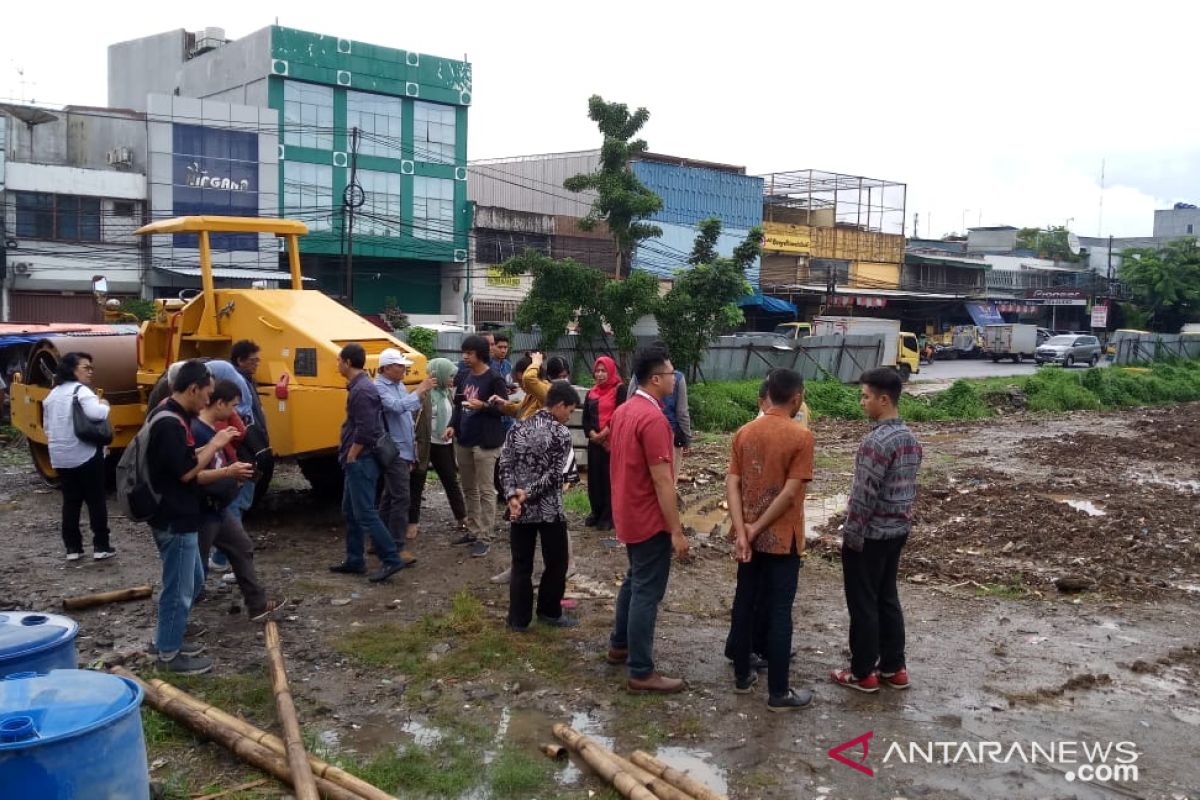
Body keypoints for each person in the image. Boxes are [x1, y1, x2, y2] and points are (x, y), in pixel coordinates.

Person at [726, 368, 815, 711]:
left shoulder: (744, 432)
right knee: (779, 612)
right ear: (796, 398)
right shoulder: (801, 437)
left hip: (747, 537)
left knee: (745, 601)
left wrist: (743, 528)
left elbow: (732, 483)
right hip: (781, 539)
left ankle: (742, 676)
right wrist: (759, 526)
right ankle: (778, 693)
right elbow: (791, 493)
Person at [831, 367, 923, 693]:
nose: (861, 402)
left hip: (870, 534)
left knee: (863, 603)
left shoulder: (876, 442)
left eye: (865, 396)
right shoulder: (911, 439)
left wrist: (852, 535)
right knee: (887, 598)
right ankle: (894, 667)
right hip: (898, 530)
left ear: (884, 400)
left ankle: (862, 673)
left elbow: (863, 495)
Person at [606, 343, 690, 694]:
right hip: (647, 516)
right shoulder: (653, 419)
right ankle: (641, 671)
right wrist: (676, 530)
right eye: (671, 373)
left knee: (634, 579)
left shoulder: (625, 410)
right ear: (656, 379)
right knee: (646, 591)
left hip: (626, 510)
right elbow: (661, 480)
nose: (675, 379)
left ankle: (619, 645)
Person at [147, 359, 235, 675]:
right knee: (179, 589)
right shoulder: (170, 422)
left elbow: (183, 461)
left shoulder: (175, 415)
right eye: (207, 393)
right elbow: (186, 472)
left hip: (180, 514)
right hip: (175, 516)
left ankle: (168, 638)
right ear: (193, 388)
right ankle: (168, 655)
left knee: (193, 579)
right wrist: (215, 444)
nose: (208, 400)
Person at [190, 379, 286, 622]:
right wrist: (228, 474)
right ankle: (177, 624)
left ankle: (258, 605)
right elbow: (192, 475)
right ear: (219, 403)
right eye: (232, 406)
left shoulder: (212, 430)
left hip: (218, 509)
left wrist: (234, 472)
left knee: (242, 547)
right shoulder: (198, 432)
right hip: (201, 511)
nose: (234, 412)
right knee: (190, 570)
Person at [500, 382, 580, 632]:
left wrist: (512, 495)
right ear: (559, 405)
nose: (569, 416)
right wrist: (528, 494)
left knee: (521, 565)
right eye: (570, 410)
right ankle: (549, 611)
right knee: (556, 562)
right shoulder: (560, 433)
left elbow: (504, 465)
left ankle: (518, 620)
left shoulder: (518, 426)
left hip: (520, 511)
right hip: (549, 510)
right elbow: (556, 476)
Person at [328, 343, 405, 583]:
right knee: (351, 511)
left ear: (348, 363)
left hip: (361, 460)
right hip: (358, 459)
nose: (338, 364)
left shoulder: (361, 390)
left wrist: (352, 453)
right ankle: (355, 560)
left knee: (365, 512)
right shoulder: (361, 387)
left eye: (339, 360)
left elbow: (367, 429)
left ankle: (391, 559)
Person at [42, 352, 115, 561]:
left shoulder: (52, 395)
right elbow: (97, 414)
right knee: (96, 500)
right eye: (86, 367)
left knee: (71, 502)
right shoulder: (81, 391)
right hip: (85, 454)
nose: (90, 372)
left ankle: (73, 548)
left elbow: (47, 427)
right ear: (72, 369)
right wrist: (105, 405)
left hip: (60, 457)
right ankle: (101, 546)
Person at [447, 335, 509, 557]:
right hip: (464, 438)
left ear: (479, 354)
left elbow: (504, 408)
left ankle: (485, 535)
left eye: (469, 353)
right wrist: (452, 426)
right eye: (464, 352)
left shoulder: (494, 378)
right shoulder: (464, 376)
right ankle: (472, 530)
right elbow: (457, 405)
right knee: (469, 488)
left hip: (486, 442)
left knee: (485, 490)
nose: (465, 357)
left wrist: (483, 405)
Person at [375, 348, 434, 561]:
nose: (404, 370)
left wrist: (420, 395)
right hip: (394, 451)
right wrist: (418, 392)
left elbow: (407, 412)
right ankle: (396, 547)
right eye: (400, 366)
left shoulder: (397, 385)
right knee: (401, 497)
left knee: (390, 496)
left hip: (404, 449)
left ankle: (379, 540)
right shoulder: (380, 388)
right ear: (387, 367)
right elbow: (397, 408)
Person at [417, 357, 468, 538]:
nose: (452, 379)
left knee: (451, 481)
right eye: (449, 375)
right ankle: (411, 524)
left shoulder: (447, 393)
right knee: (417, 483)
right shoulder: (425, 393)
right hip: (426, 443)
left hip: (444, 444)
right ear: (438, 374)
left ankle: (462, 518)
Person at [582, 355, 625, 530]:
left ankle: (609, 516)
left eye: (603, 371)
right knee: (594, 480)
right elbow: (586, 418)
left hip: (611, 443)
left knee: (609, 480)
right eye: (597, 371)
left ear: (611, 371)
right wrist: (593, 434)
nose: (600, 374)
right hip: (595, 443)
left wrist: (605, 433)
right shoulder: (590, 393)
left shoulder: (619, 389)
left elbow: (620, 413)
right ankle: (596, 512)